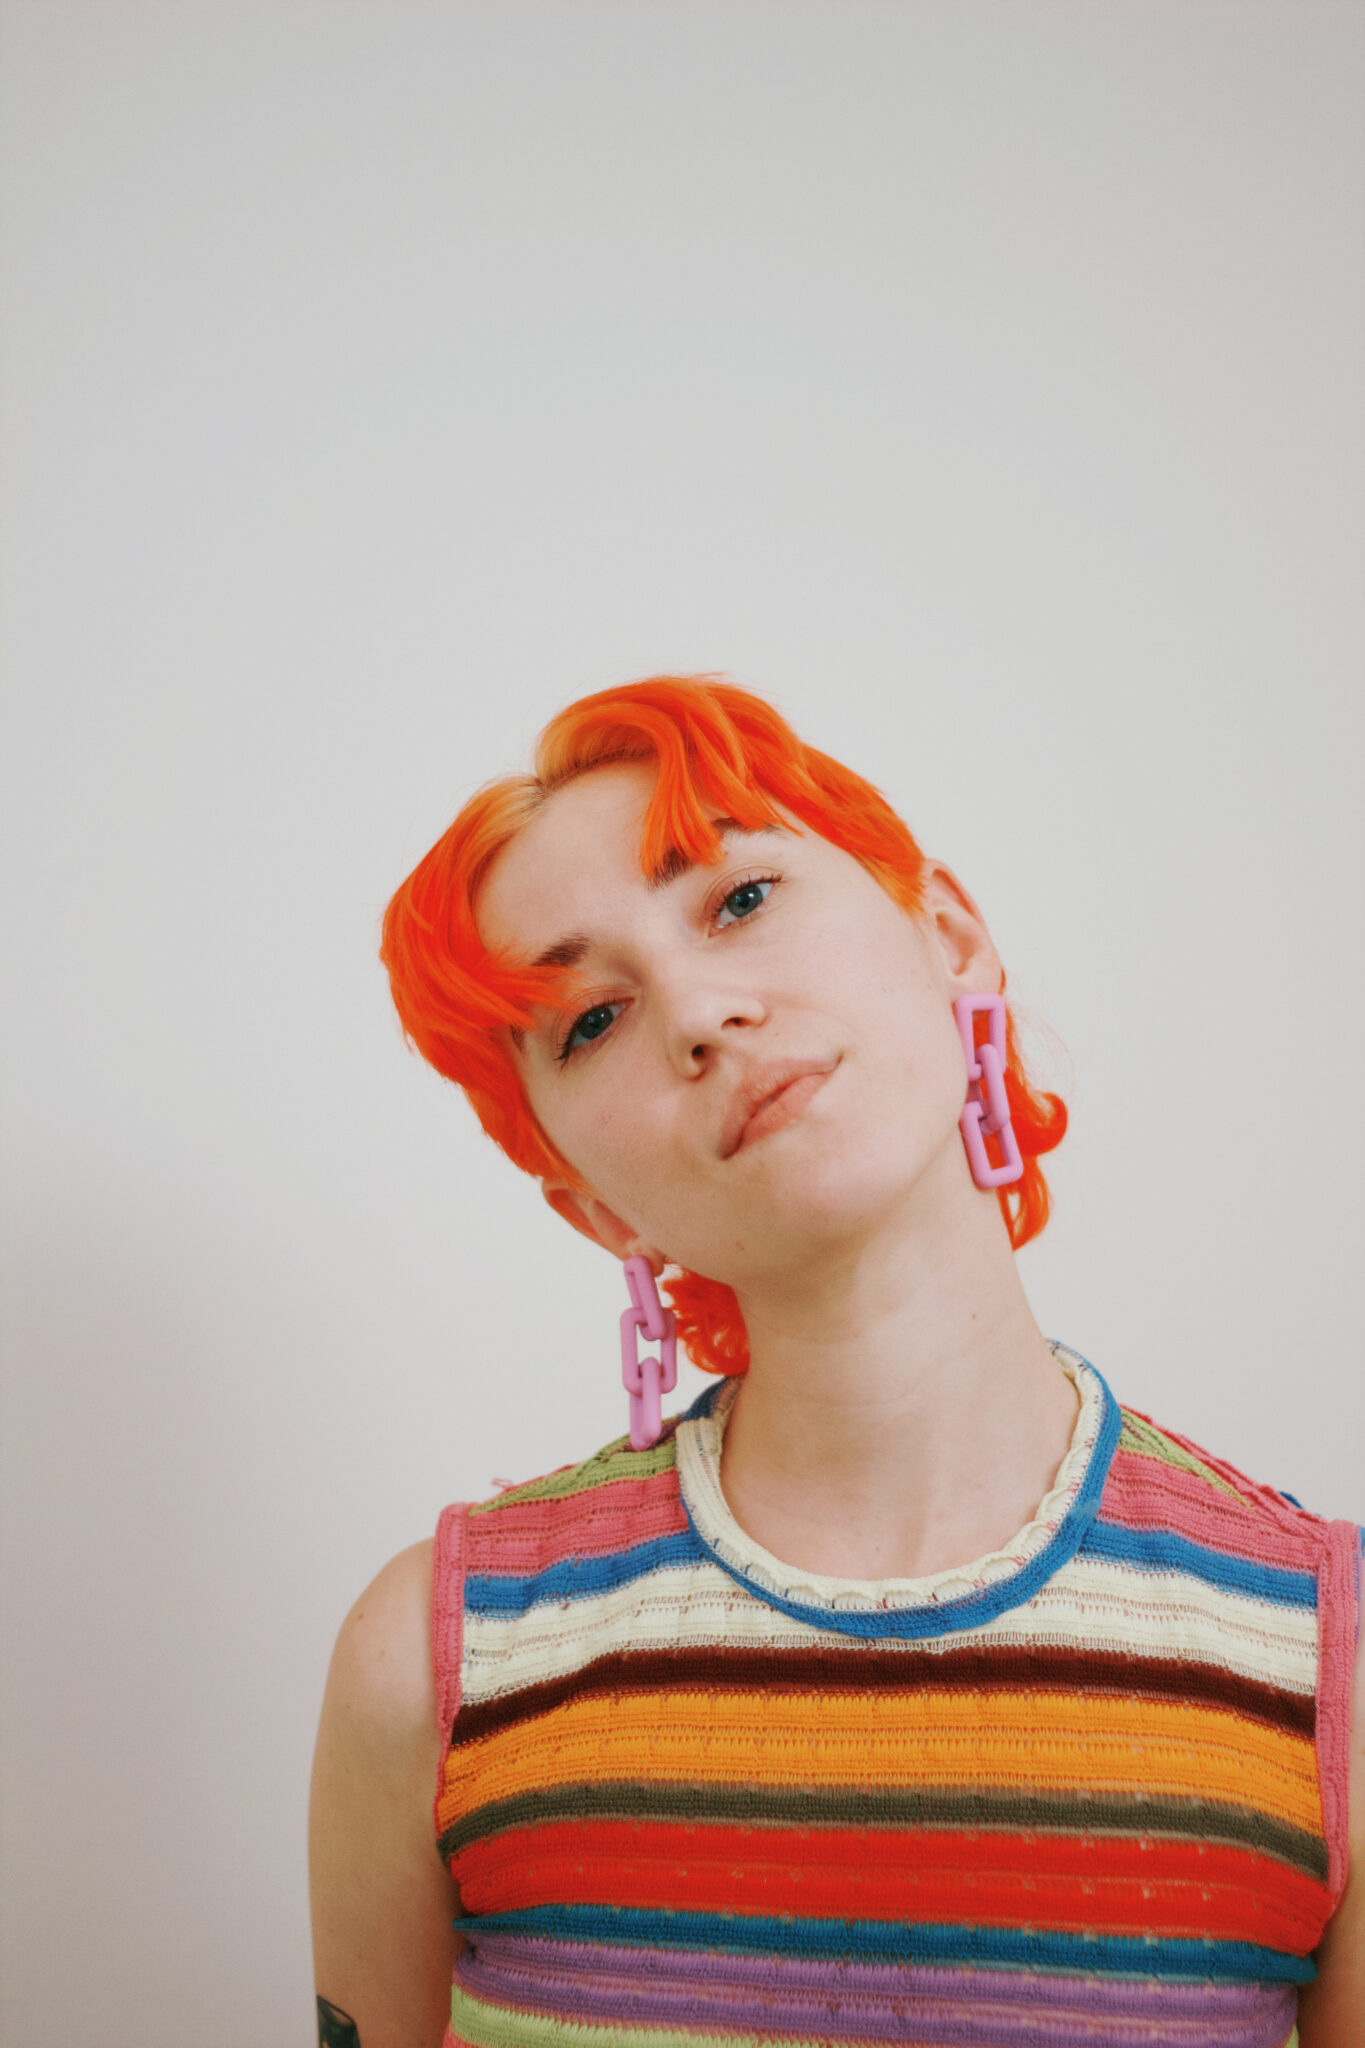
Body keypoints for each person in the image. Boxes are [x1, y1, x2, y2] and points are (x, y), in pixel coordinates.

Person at [309, 675, 1364, 2048]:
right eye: (590, 1020)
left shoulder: (1327, 1657)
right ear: (591, 1207)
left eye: (740, 898)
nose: (698, 1012)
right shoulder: (430, 1659)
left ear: (948, 938)